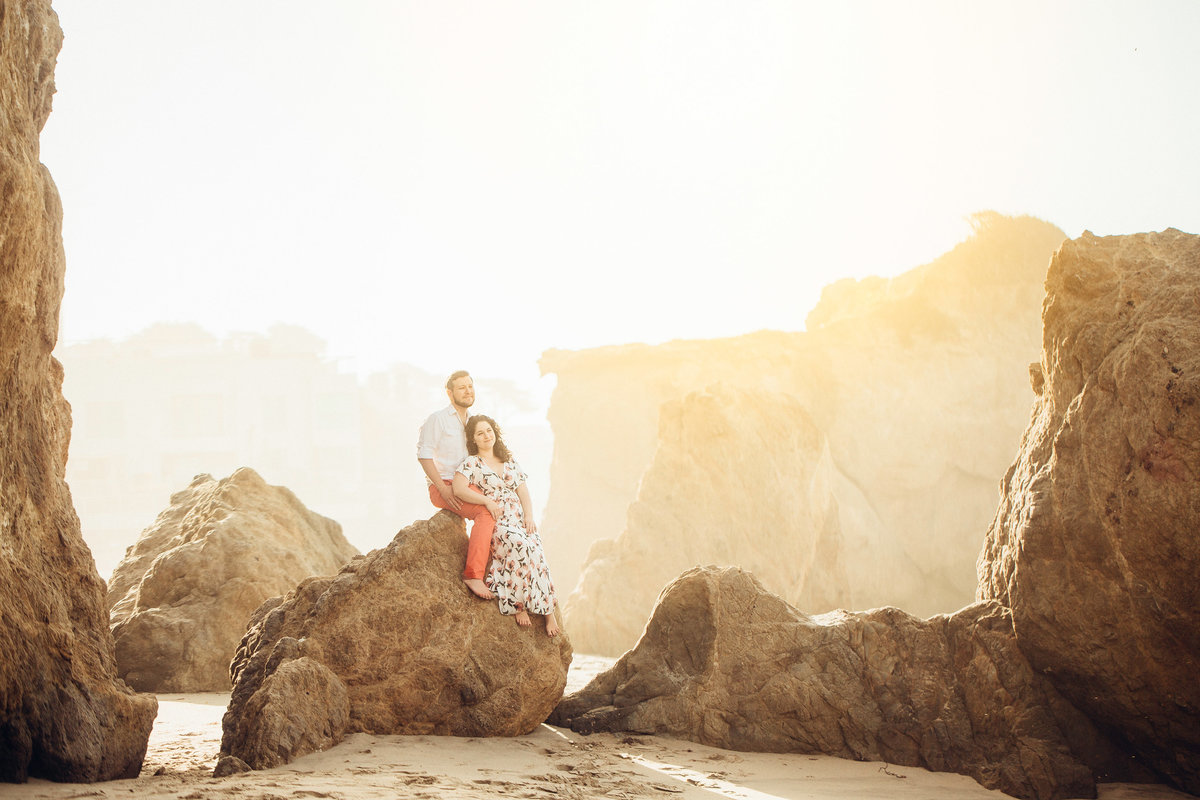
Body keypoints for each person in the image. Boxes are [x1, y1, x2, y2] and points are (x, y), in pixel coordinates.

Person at [453, 414, 559, 636]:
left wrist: (529, 517)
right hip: (499, 520)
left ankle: (549, 612)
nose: (486, 436)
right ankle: (518, 605)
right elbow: (459, 489)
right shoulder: (472, 463)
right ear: (473, 439)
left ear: (495, 432)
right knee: (518, 544)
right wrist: (486, 501)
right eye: (480, 433)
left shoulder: (508, 461)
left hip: (519, 518)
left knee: (536, 549)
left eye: (489, 431)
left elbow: (523, 491)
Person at [417, 370, 495, 600]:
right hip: (445, 485)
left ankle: (497, 573)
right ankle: (473, 574)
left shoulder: (473, 423)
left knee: (502, 514)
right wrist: (442, 488)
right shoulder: (437, 419)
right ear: (450, 393)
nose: (468, 391)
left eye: (470, 386)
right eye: (462, 387)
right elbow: (424, 455)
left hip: (470, 484)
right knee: (485, 513)